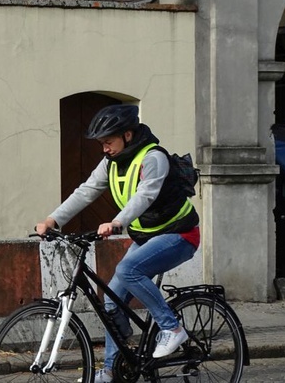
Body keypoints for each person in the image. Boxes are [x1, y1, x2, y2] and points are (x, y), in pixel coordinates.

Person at [35, 104, 199, 383]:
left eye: (108, 142)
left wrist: (117, 222)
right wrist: (53, 219)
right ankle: (113, 370)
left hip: (180, 234)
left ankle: (171, 329)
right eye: (101, 144)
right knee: (111, 303)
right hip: (147, 236)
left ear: (127, 135)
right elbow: (87, 191)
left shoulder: (153, 157)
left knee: (128, 270)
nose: (104, 149)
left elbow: (145, 196)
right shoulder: (111, 162)